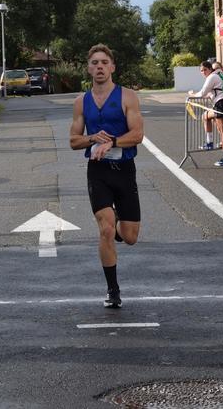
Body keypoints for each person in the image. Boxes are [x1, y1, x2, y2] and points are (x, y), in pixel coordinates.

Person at [69, 44, 144, 309]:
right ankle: (113, 290)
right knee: (106, 229)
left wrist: (111, 142)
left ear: (112, 67)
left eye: (104, 62)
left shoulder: (127, 97)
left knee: (130, 235)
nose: (99, 67)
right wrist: (91, 138)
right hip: (98, 172)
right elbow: (73, 141)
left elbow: (137, 135)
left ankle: (121, 228)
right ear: (88, 68)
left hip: (124, 170)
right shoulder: (81, 102)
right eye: (94, 63)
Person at [188, 61, 223, 152]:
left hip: (222, 103)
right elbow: (209, 93)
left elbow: (202, 93)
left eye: (205, 70)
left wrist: (192, 94)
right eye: (201, 71)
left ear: (210, 69)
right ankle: (211, 143)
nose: (203, 72)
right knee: (206, 117)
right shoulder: (218, 76)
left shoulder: (212, 77)